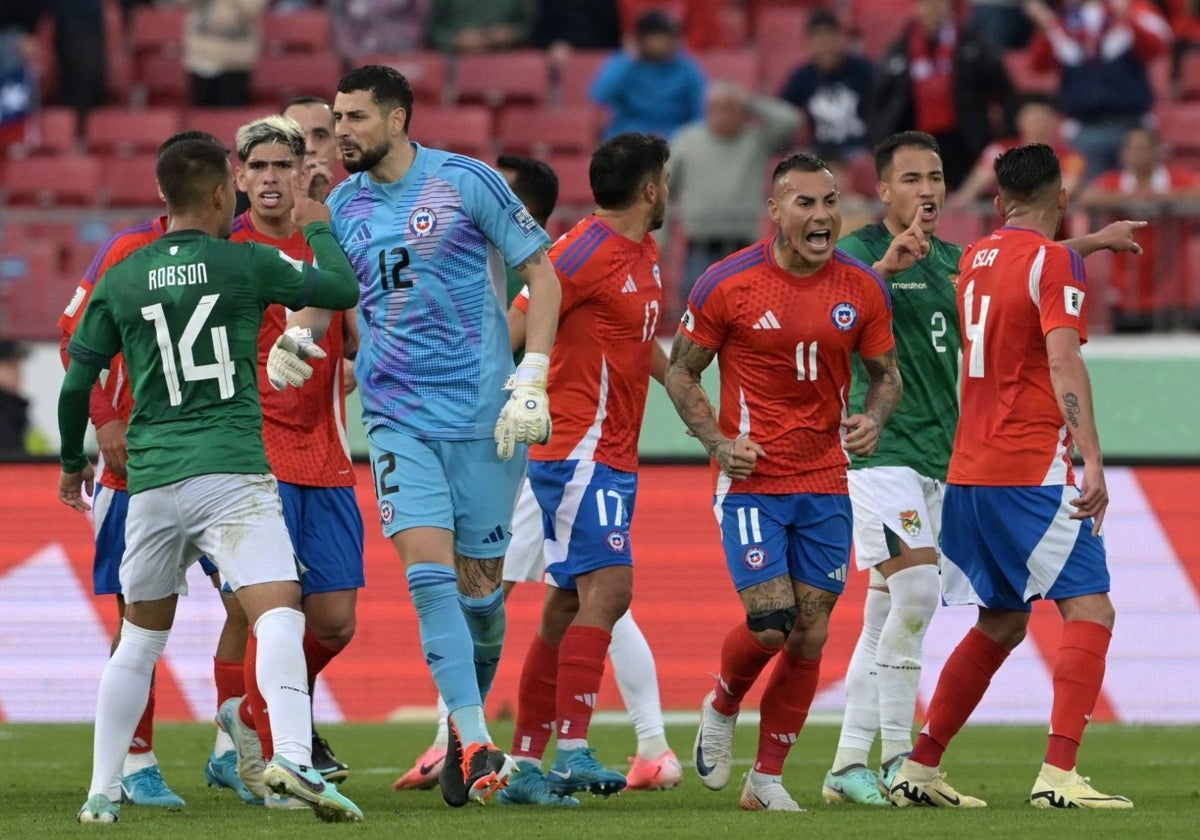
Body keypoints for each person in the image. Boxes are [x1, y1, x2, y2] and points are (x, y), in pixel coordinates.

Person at [817, 129, 1147, 806]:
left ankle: (918, 765)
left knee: (1001, 619)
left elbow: (1031, 268)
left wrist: (1095, 241)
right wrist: (1092, 459)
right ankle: (1058, 775)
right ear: (1062, 196)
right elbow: (1063, 358)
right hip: (1031, 469)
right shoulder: (1049, 264)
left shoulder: (977, 262)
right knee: (1092, 609)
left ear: (998, 202)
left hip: (966, 472)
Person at [268, 64, 562, 807]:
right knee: (428, 580)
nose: (340, 133)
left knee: (481, 597)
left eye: (356, 118)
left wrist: (533, 375)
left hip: (487, 419)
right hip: (398, 416)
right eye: (336, 118)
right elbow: (328, 297)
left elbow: (543, 273)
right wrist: (296, 339)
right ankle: (474, 733)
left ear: (398, 120)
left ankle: (468, 722)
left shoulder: (466, 182)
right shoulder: (340, 206)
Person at [60, 135, 363, 824]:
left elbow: (77, 380)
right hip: (232, 473)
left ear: (164, 196)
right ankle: (289, 755)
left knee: (139, 638)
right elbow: (342, 290)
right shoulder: (246, 262)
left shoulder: (125, 275)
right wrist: (317, 223)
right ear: (224, 193)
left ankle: (101, 793)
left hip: (153, 482)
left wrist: (71, 460)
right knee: (281, 609)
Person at [665, 152, 911, 812]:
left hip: (827, 477)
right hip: (751, 477)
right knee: (770, 621)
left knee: (812, 628)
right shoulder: (727, 282)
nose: (822, 215)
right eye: (805, 203)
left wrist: (872, 422)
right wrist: (717, 442)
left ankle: (766, 779)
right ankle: (722, 703)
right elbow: (681, 372)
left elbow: (887, 375)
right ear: (775, 212)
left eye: (830, 202)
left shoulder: (861, 286)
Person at [56, 129, 259, 811]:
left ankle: (233, 750)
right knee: (138, 617)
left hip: (222, 461)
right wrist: (104, 421)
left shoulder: (234, 251)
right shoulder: (125, 251)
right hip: (137, 468)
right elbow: (73, 339)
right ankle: (136, 760)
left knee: (248, 603)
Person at [497, 133, 677, 806]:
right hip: (577, 448)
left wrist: (685, 389)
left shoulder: (644, 253)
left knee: (565, 606)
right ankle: (572, 746)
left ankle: (521, 767)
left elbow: (635, 343)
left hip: (612, 452)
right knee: (611, 589)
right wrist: (516, 391)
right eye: (667, 180)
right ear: (651, 189)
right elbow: (513, 329)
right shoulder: (582, 250)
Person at [214, 115, 364, 807]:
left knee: (333, 620)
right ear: (239, 177)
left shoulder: (328, 246)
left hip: (327, 452)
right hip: (252, 456)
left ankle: (250, 715)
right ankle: (277, 756)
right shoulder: (225, 251)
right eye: (259, 167)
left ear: (304, 171)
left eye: (284, 165)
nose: (270, 178)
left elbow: (353, 337)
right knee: (267, 612)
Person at [667, 81, 802, 320]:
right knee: (694, 315)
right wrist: (660, 236)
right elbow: (664, 187)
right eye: (717, 108)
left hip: (744, 246)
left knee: (748, 312)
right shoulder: (687, 140)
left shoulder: (755, 140)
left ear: (743, 113)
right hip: (699, 245)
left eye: (731, 109)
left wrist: (750, 102)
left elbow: (791, 120)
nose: (723, 116)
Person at [869, 0, 1017, 189]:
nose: (934, 11)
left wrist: (1008, 132)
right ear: (916, 8)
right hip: (917, 139)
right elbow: (881, 100)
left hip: (965, 140)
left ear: (949, 8)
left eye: (939, 4)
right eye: (928, 5)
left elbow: (1003, 88)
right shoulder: (900, 50)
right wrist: (881, 138)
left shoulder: (972, 43)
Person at [1024, 0, 1174, 179]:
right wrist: (1045, 27)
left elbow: (1159, 46)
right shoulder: (1063, 20)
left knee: (1133, 195)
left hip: (1131, 126)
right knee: (1090, 197)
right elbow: (1038, 64)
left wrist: (1128, 17)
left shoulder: (1135, 8)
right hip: (1085, 128)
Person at [1078, 126, 1200, 331]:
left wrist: (1163, 198)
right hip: (1126, 290)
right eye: (1134, 149)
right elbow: (1087, 197)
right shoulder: (1115, 181)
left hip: (1173, 289)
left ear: (1158, 151)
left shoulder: (1175, 179)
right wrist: (1128, 199)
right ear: (1124, 153)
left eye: (1145, 148)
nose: (1139, 154)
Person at [948, 93, 1086, 211]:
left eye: (1044, 119)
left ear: (1056, 122)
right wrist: (963, 197)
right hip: (1002, 230)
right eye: (1032, 118)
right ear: (1020, 120)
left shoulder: (1072, 158)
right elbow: (973, 187)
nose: (1038, 125)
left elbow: (1064, 191)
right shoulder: (999, 150)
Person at [590, 10, 706, 140]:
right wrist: (628, 59)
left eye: (670, 38)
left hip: (675, 133)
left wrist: (691, 135)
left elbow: (700, 108)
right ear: (642, 40)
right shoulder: (624, 63)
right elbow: (599, 95)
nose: (665, 44)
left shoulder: (687, 67)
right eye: (658, 38)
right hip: (629, 132)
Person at [779, 9, 874, 165]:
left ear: (841, 38)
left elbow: (883, 110)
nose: (825, 45)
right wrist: (791, 147)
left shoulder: (864, 70)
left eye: (829, 37)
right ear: (808, 44)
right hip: (821, 151)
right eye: (818, 39)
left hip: (860, 148)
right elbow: (782, 112)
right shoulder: (802, 77)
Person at [282, 96, 343, 203]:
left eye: (320, 136)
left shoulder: (359, 209)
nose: (309, 148)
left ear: (339, 147)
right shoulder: (248, 203)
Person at [428, 0, 533, 52]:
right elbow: (433, 29)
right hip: (457, 60)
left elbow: (528, 27)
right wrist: (456, 40)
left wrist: (511, 34)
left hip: (505, 58)